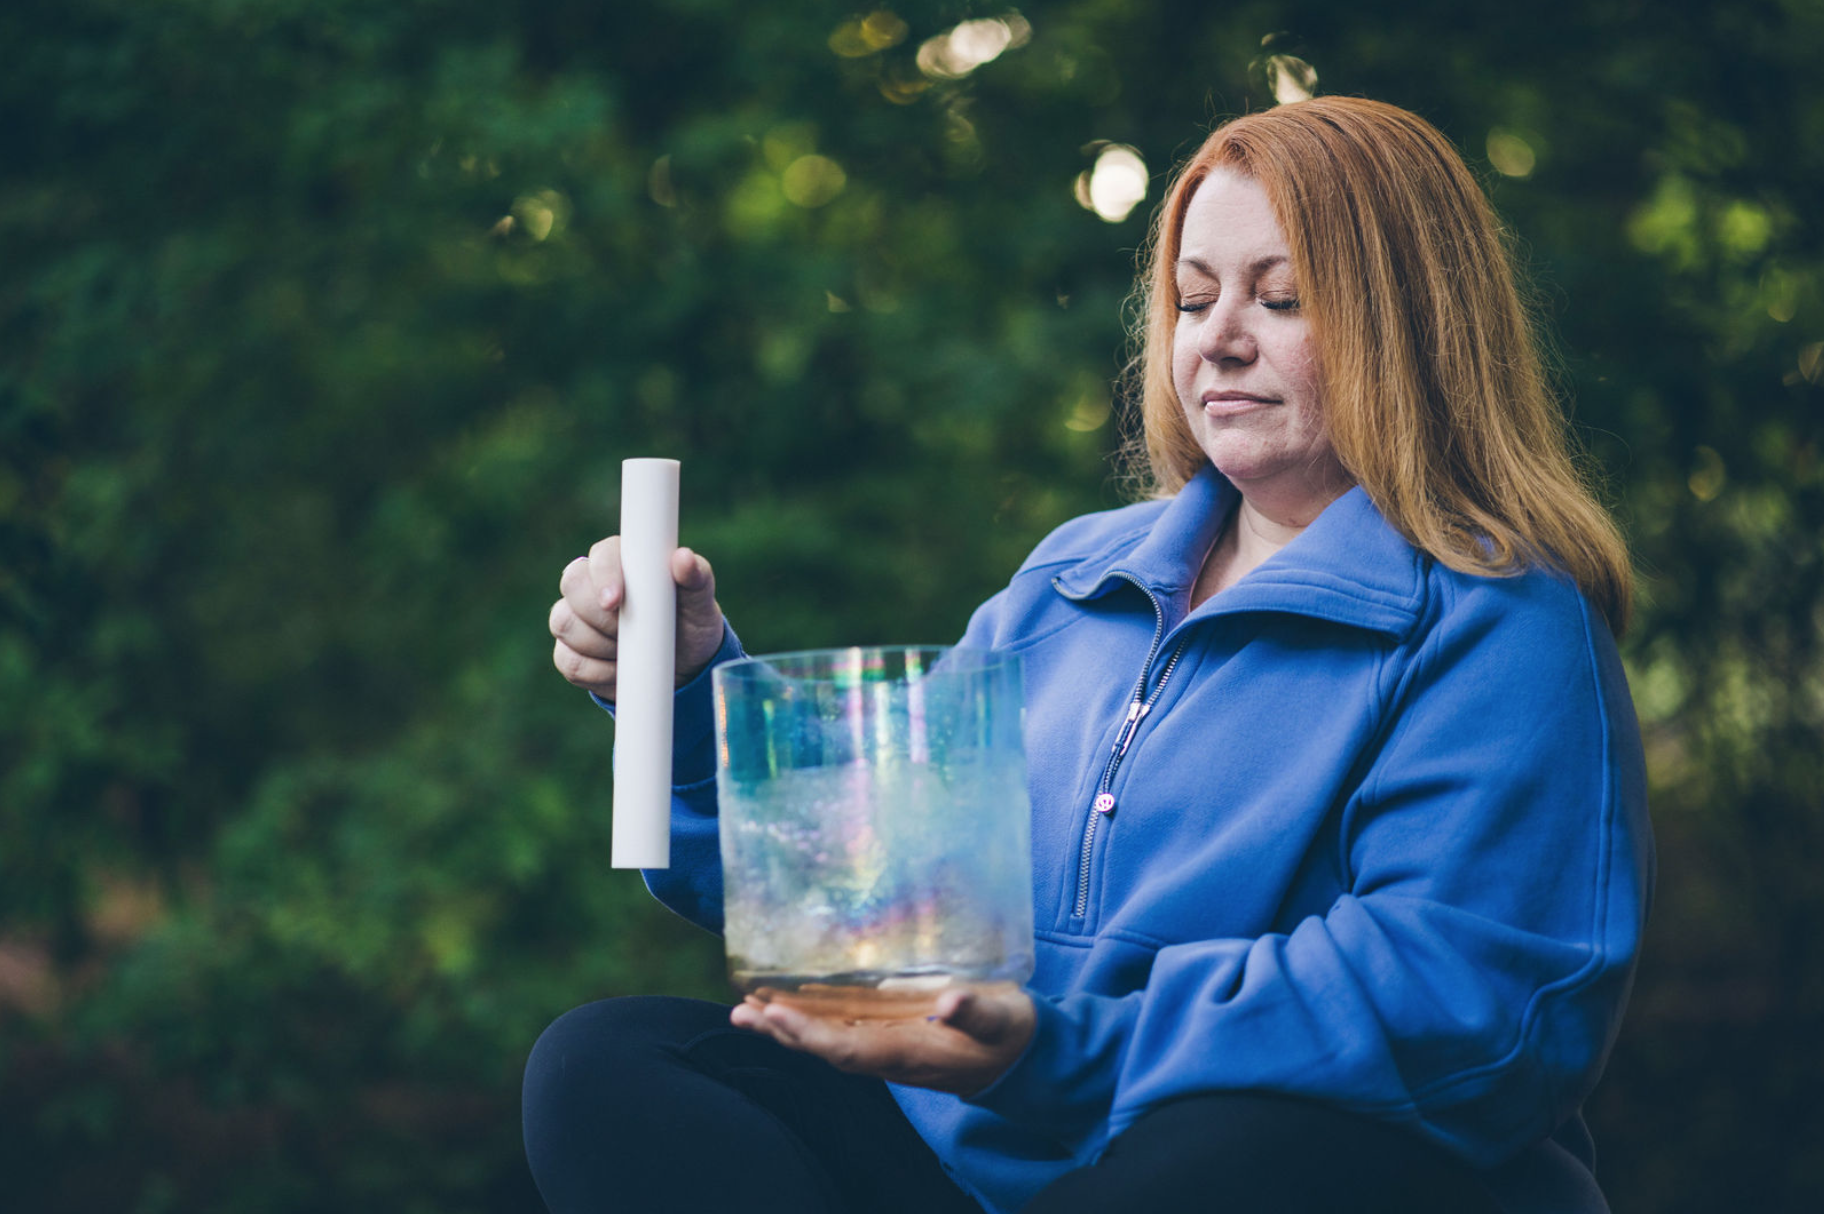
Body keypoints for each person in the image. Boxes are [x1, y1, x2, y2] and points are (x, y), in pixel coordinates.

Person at [525, 96, 1653, 1214]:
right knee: (609, 1062)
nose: (1218, 336)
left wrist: (1055, 1046)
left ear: (1412, 322)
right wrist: (684, 681)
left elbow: (1459, 1005)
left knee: (1224, 1149)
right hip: (979, 1163)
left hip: (1265, 1168)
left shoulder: (1498, 624)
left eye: (1283, 296)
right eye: (1193, 296)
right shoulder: (1073, 578)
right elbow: (876, 890)